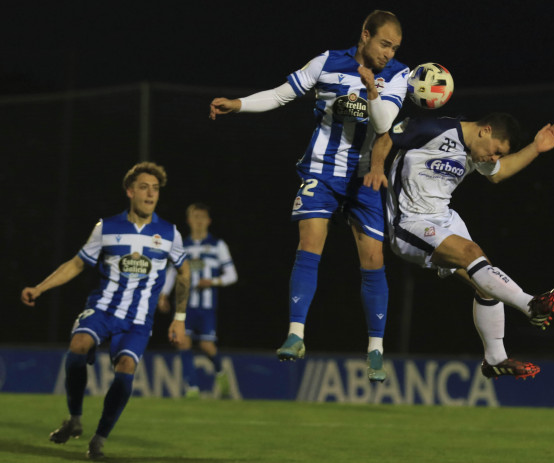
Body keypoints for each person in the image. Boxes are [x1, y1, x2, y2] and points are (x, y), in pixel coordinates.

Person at [208, 10, 409, 382]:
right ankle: (296, 335)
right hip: (321, 170)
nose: (388, 53)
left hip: (364, 179)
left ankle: (376, 350)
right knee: (310, 242)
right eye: (384, 44)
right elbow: (282, 95)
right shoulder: (327, 61)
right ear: (365, 35)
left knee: (373, 258)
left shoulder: (398, 74)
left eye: (394, 47)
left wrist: (371, 89)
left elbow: (383, 125)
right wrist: (239, 104)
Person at [367, 113, 554, 379]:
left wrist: (536, 148)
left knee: (487, 281)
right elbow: (386, 137)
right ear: (485, 131)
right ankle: (532, 306)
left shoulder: (476, 153)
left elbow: (498, 174)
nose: (494, 158)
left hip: (444, 220)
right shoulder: (433, 127)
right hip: (410, 222)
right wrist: (376, 168)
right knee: (474, 256)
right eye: (496, 151)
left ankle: (495, 358)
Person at [21, 162, 190, 459]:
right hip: (102, 308)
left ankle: (99, 437)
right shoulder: (107, 227)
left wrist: (179, 318)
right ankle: (74, 417)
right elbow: (76, 263)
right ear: (130, 191)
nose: (151, 193)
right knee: (78, 345)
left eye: (155, 189)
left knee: (125, 369)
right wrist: (40, 288)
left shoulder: (169, 233)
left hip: (138, 320)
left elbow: (185, 273)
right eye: (144, 187)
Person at [159, 203, 238, 398]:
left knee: (206, 346)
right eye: (195, 216)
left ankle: (220, 372)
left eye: (203, 216)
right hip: (184, 306)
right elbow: (171, 272)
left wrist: (212, 281)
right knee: (182, 342)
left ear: (209, 221)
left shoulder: (218, 245)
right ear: (189, 220)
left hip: (206, 306)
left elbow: (232, 275)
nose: (199, 220)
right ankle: (192, 389)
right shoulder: (182, 246)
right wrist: (163, 294)